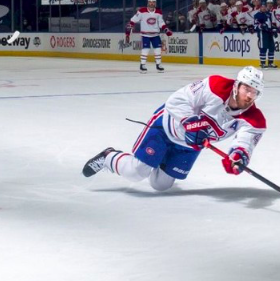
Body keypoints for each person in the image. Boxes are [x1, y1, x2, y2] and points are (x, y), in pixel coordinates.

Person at [82, 67, 266, 192]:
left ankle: (157, 159)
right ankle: (109, 156)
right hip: (166, 126)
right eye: (247, 89)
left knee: (160, 185)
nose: (250, 96)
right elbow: (176, 100)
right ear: (237, 85)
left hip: (189, 145)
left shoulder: (255, 120)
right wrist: (189, 122)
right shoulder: (215, 86)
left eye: (254, 92)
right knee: (137, 172)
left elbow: (244, 143)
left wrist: (238, 157)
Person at [125, 0, 173, 74]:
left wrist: (166, 29)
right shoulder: (141, 11)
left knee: (158, 49)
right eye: (150, 2)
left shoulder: (158, 12)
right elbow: (133, 20)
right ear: (148, 3)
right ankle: (142, 65)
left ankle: (158, 65)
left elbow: (161, 23)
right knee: (145, 49)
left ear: (155, 3)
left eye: (153, 2)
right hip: (145, 34)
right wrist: (128, 31)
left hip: (155, 34)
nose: (151, 3)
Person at [254, 4, 278, 69]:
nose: (264, 8)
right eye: (262, 7)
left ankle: (270, 63)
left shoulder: (269, 14)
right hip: (262, 33)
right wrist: (261, 26)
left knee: (272, 47)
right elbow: (255, 26)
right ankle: (263, 63)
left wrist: (274, 29)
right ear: (260, 8)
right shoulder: (257, 15)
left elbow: (270, 24)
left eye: (265, 7)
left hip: (269, 33)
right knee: (263, 48)